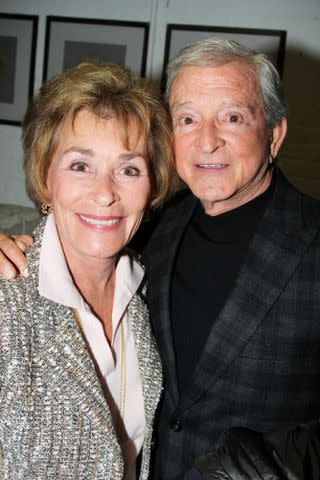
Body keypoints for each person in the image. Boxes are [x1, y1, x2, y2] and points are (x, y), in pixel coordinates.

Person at [2, 38, 320, 480]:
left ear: (274, 133)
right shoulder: (155, 230)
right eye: (188, 119)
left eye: (232, 117)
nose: (207, 142)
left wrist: (269, 468)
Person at [0, 60, 177, 479]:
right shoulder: (7, 299)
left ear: (151, 187)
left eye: (129, 169)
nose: (105, 194)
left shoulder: (148, 288)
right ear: (46, 176)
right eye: (81, 165)